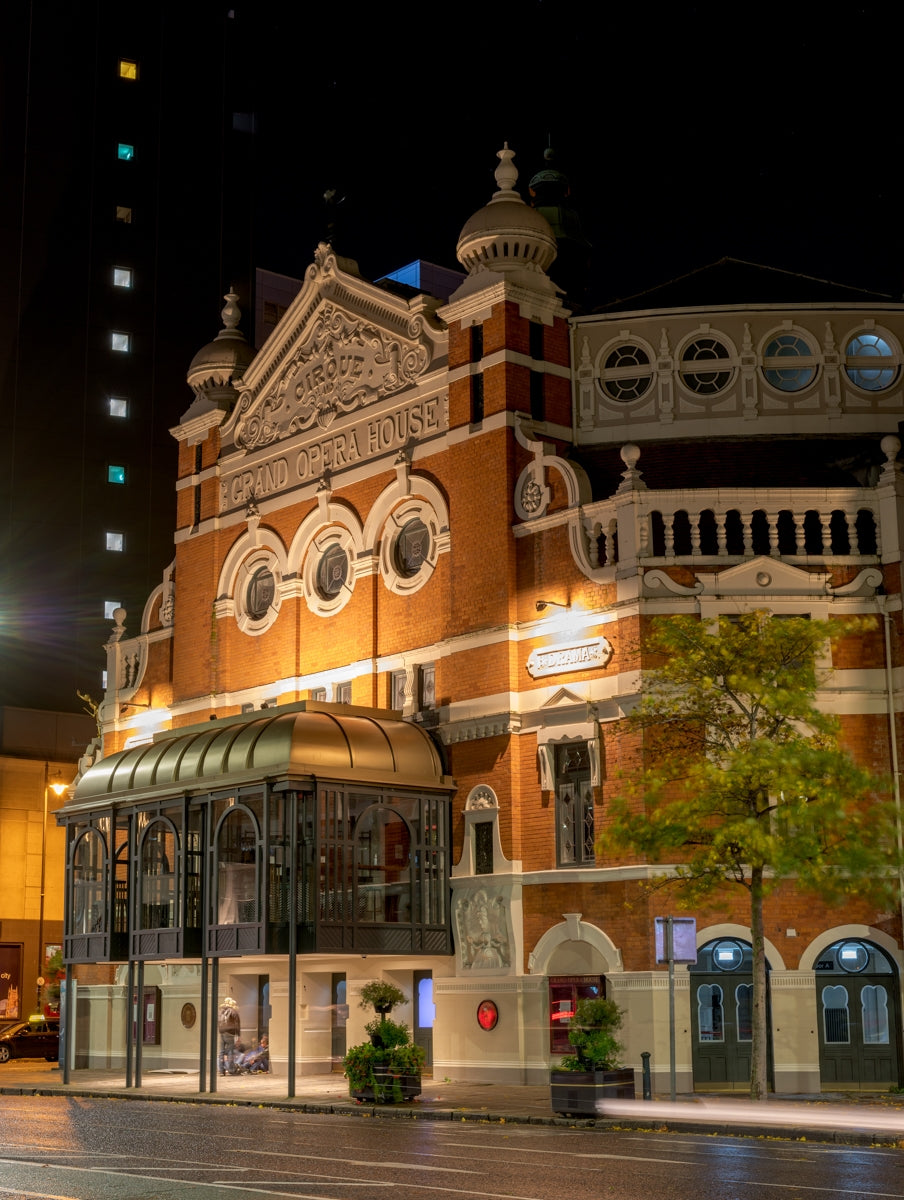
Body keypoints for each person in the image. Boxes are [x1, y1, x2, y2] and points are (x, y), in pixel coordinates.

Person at [217, 997, 241, 1075]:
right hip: (230, 1033)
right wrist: (238, 1035)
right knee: (230, 1051)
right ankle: (231, 1069)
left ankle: (221, 1070)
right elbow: (237, 1024)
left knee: (221, 1051)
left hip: (222, 1032)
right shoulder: (234, 1012)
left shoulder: (221, 1011)